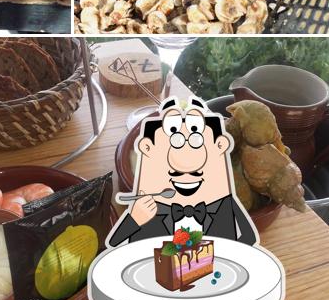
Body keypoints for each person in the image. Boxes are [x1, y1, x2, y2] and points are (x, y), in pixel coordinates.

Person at [108, 96, 257, 246]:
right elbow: (114, 244)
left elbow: (249, 238)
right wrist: (133, 220)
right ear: (147, 149)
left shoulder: (224, 204)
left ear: (220, 147)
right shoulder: (150, 207)